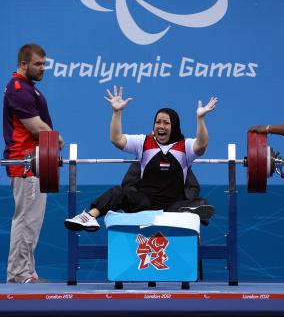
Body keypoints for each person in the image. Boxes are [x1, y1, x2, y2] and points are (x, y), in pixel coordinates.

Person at [64, 85, 217, 232]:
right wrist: (117, 113)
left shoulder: (185, 147)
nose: (160, 126)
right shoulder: (143, 142)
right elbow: (116, 139)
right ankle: (89, 217)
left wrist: (201, 119)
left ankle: (188, 214)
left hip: (173, 205)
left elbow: (201, 145)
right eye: (158, 122)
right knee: (118, 192)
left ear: (175, 126)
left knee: (201, 203)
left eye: (166, 123)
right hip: (145, 203)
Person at [3, 44, 64, 284]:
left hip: (37, 161)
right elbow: (37, 128)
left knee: (32, 221)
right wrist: (55, 136)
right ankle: (19, 275)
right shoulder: (18, 89)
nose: (42, 68)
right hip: (27, 162)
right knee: (26, 219)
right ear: (23, 64)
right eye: (37, 64)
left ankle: (27, 272)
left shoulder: (28, 88)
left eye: (44, 64)